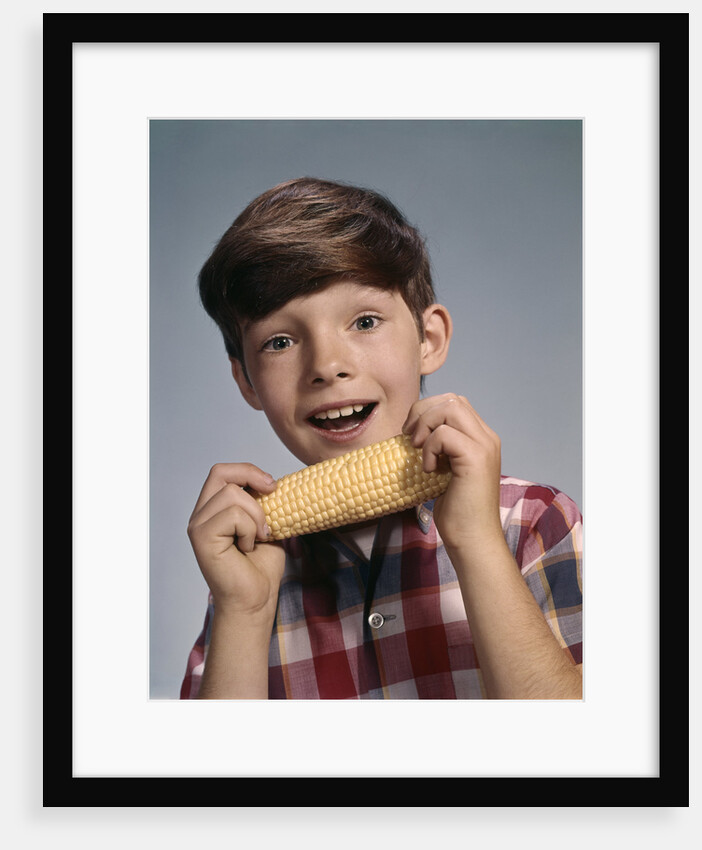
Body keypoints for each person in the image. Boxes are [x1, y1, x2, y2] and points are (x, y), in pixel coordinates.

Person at [180, 176, 582, 700]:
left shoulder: (534, 522)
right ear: (246, 381)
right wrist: (244, 614)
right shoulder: (246, 578)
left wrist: (477, 543)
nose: (326, 366)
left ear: (428, 340)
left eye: (364, 321)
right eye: (279, 341)